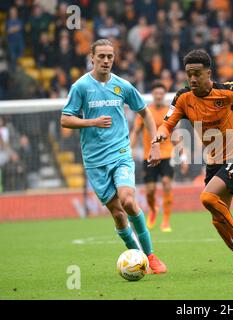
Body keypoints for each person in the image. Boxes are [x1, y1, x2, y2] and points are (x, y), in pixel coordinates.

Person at [153, 49, 233, 273]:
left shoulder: (226, 91)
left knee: (208, 197)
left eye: (197, 73)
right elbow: (167, 123)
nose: (192, 78)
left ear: (208, 73)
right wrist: (160, 134)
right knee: (217, 218)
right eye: (189, 73)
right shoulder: (183, 98)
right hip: (214, 161)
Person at [60, 39, 167, 274]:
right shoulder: (80, 87)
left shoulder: (122, 86)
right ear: (92, 58)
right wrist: (92, 122)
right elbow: (65, 119)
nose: (106, 60)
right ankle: (139, 259)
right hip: (95, 161)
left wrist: (156, 144)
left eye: (110, 56)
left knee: (128, 201)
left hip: (120, 153)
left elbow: (145, 113)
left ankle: (149, 255)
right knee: (118, 215)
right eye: (102, 56)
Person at [130, 81, 175, 232]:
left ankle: (166, 221)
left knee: (166, 184)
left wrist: (183, 154)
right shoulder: (145, 111)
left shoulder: (170, 111)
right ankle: (153, 209)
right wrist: (130, 148)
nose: (158, 96)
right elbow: (136, 132)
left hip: (167, 153)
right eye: (156, 93)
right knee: (150, 190)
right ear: (152, 95)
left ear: (164, 95)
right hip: (148, 155)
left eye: (161, 93)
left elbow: (176, 134)